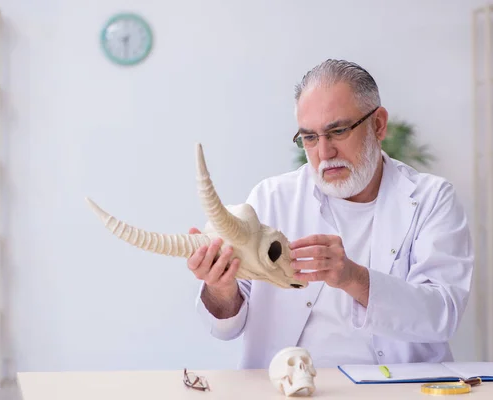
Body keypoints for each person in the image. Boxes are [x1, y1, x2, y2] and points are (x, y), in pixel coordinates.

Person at [187, 59, 474, 370]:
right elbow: (226, 326)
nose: (324, 153)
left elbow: (443, 315)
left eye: (337, 131)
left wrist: (353, 277)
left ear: (378, 125)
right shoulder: (271, 198)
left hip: (396, 388)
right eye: (309, 138)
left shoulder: (431, 198)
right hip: (286, 387)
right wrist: (221, 286)